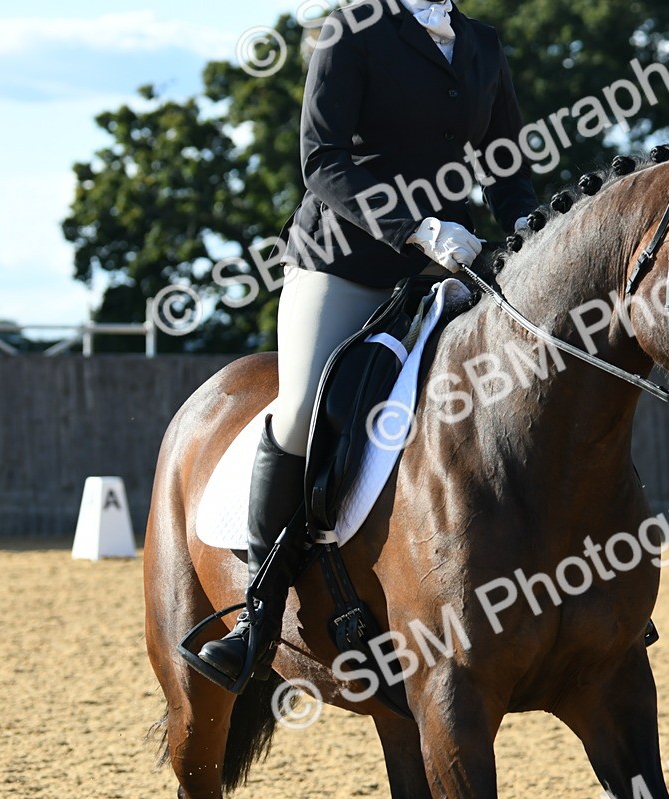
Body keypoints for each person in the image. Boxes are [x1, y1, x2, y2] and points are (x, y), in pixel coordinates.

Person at [194, 0, 539, 691]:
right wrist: (416, 225)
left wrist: (533, 227)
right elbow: (322, 159)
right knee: (300, 414)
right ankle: (258, 614)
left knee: (529, 383)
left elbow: (505, 164)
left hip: (453, 260)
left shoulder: (481, 44)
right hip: (343, 258)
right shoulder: (351, 30)